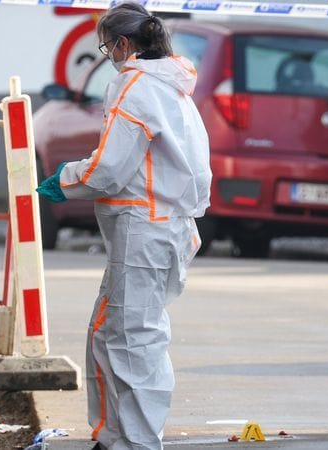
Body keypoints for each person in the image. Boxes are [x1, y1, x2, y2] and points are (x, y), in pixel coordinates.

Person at [37, 3, 211, 449]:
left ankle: (134, 443)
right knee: (113, 334)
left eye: (106, 46)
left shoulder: (135, 87)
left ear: (122, 44)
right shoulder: (174, 89)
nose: (108, 54)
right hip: (163, 228)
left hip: (144, 229)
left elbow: (110, 170)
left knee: (134, 344)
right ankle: (114, 437)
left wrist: (68, 178)